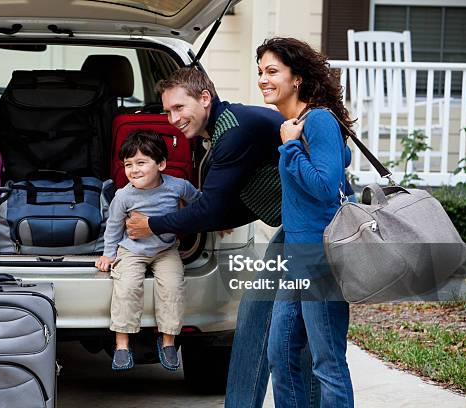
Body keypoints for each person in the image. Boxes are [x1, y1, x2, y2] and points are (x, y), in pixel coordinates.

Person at [125, 67, 319, 407]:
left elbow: (211, 210)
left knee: (292, 333)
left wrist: (152, 224)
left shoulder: (233, 133)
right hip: (295, 223)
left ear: (204, 98)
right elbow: (240, 195)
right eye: (167, 111)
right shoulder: (222, 127)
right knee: (257, 318)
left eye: (179, 108)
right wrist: (218, 215)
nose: (172, 119)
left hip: (314, 228)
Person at [257, 37, 355, 407]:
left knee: (327, 361)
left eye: (272, 71)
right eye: (260, 73)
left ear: (296, 78)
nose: (264, 80)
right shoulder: (297, 123)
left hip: (321, 256)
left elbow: (326, 187)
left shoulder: (318, 121)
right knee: (280, 355)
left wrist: (290, 146)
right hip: (297, 256)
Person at [95, 129, 201, 371]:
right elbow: (113, 227)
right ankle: (122, 345)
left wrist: (217, 221)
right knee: (127, 287)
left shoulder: (178, 186)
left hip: (166, 249)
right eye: (128, 164)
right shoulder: (123, 196)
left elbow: (199, 202)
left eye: (141, 163)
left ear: (161, 164)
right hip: (132, 249)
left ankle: (168, 341)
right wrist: (108, 254)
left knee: (173, 286)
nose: (134, 170)